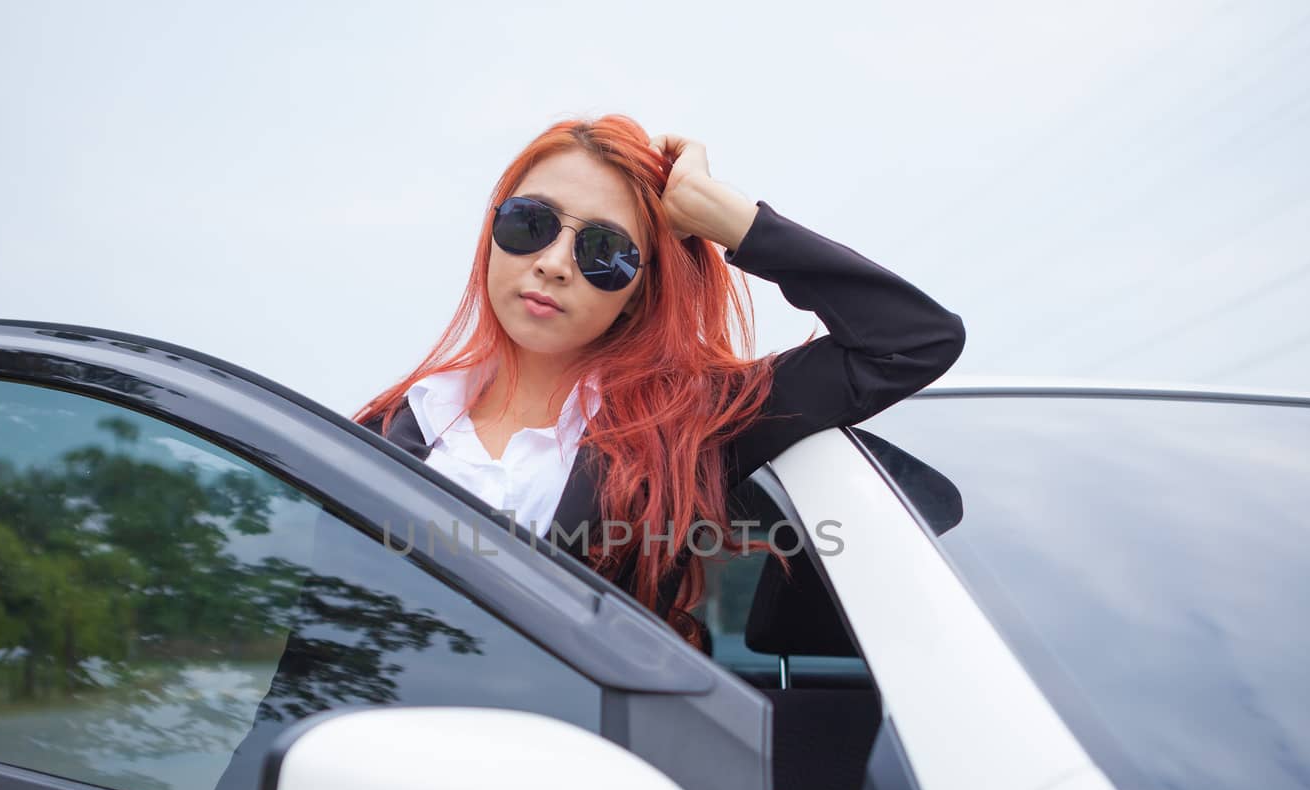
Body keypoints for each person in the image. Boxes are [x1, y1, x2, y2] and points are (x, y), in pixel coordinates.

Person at [357, 112, 968, 648]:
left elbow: (911, 341)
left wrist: (733, 220)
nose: (552, 263)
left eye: (606, 250)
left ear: (639, 289)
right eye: (529, 223)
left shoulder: (690, 423)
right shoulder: (383, 431)